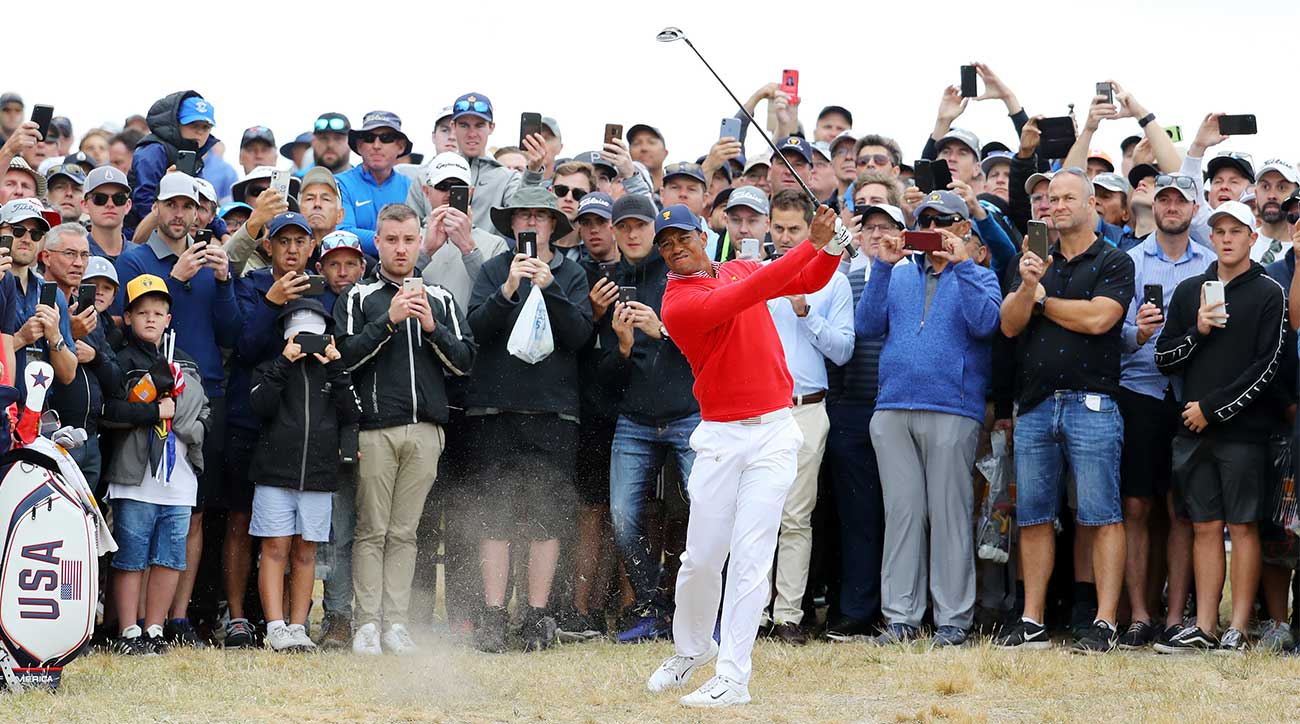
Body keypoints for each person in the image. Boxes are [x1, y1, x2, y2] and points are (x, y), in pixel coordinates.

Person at [645, 202, 848, 707]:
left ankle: (734, 677)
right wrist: (813, 242)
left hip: (775, 431)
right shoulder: (678, 302)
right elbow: (749, 293)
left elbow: (807, 278)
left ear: (703, 235)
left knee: (752, 559)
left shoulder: (738, 266)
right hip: (720, 436)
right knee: (702, 558)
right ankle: (693, 648)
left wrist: (832, 248)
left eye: (682, 238)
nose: (675, 249)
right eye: (666, 245)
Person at [995, 168, 1135, 654]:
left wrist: (1042, 299)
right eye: (1050, 199)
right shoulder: (1030, 260)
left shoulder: (1115, 260)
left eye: (1066, 197)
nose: (1055, 206)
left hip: (1092, 403)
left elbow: (1099, 319)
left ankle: (1104, 622)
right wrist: (1024, 288)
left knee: (1101, 515)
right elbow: (1009, 327)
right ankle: (1032, 619)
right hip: (1034, 404)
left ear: (1092, 203)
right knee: (1033, 516)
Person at [857, 191, 1001, 647]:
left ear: (964, 227)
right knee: (902, 514)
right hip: (894, 407)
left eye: (947, 219)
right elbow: (867, 326)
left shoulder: (981, 275)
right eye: (927, 219)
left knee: (949, 514)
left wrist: (964, 266)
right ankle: (901, 617)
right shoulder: (898, 274)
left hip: (953, 408)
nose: (936, 226)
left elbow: (985, 325)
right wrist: (881, 265)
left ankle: (953, 620)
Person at [334, 203, 476, 655]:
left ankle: (395, 623)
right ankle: (366, 624)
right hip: (375, 430)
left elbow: (464, 363)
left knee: (406, 532)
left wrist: (431, 326)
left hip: (427, 431)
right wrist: (390, 320)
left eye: (409, 240)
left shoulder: (443, 299)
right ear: (378, 242)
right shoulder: (357, 297)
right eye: (391, 240)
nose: (400, 248)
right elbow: (346, 359)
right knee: (371, 530)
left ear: (421, 242)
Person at [113, 172, 241, 647]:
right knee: (139, 511)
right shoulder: (136, 258)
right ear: (158, 208)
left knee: (192, 513)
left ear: (200, 213)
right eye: (171, 205)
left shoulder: (213, 261)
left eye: (189, 206)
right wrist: (175, 279)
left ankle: (175, 618)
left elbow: (232, 335)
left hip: (201, 398)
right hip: (148, 395)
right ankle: (131, 621)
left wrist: (224, 281)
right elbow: (128, 324)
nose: (179, 214)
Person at [1153, 201, 1286, 654]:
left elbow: (1267, 367)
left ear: (1253, 238)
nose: (1227, 237)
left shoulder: (1270, 293)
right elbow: (1163, 357)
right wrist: (1197, 331)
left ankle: (1239, 627)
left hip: (1242, 432)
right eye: (1219, 230)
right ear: (1210, 238)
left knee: (1243, 526)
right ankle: (1206, 627)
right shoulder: (1191, 291)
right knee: (1205, 526)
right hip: (1193, 432)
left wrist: (1211, 408)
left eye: (1236, 230)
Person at [465, 187, 592, 653]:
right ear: (511, 224)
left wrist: (550, 289)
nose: (532, 223)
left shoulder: (572, 274)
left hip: (553, 413)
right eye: (524, 216)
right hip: (495, 411)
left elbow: (580, 336)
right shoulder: (493, 271)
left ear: (554, 226)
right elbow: (475, 330)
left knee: (547, 517)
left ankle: (538, 616)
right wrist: (509, 290)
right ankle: (493, 616)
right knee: (494, 519)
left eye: (541, 216)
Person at [1114, 174, 1211, 650]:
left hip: (1192, 395)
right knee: (1135, 505)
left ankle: (1175, 617)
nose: (1172, 207)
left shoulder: (1214, 263)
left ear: (1195, 209)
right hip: (1142, 389)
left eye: (1181, 201)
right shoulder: (1128, 262)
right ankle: (1137, 615)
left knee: (1182, 511)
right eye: (1164, 200)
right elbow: (1108, 332)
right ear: (1153, 207)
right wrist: (1139, 333)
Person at [598, 193, 700, 643]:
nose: (633, 233)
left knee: (707, 514)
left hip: (689, 414)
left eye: (642, 226)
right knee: (622, 516)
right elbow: (599, 377)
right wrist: (621, 344)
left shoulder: (684, 276)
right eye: (625, 227)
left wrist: (663, 330)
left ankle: (701, 614)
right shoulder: (607, 282)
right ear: (615, 233)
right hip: (634, 419)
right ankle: (650, 609)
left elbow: (710, 347)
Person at [222, 211, 321, 648]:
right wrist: (272, 303)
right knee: (243, 521)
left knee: (299, 533)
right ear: (268, 247)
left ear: (312, 247)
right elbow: (243, 348)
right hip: (251, 417)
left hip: (305, 427)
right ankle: (239, 617)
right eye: (284, 241)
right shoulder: (252, 286)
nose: (293, 249)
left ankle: (286, 622)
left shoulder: (324, 291)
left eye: (301, 240)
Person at [763, 191, 854, 646]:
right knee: (757, 516)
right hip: (760, 411)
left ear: (811, 230)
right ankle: (754, 612)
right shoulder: (757, 275)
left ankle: (788, 616)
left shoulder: (834, 280)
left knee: (796, 517)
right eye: (777, 228)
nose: (784, 238)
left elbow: (843, 350)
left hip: (808, 408)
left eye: (794, 229)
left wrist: (805, 310)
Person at [102, 274, 210, 655]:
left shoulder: (185, 362)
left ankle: (155, 628)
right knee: (132, 553)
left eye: (158, 312)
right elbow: (108, 411)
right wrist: (151, 411)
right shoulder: (120, 360)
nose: (151, 319)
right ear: (128, 316)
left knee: (169, 556)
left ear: (168, 319)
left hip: (179, 477)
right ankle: (129, 629)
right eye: (142, 312)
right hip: (135, 477)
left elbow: (204, 411)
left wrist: (187, 423)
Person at [248, 299, 361, 653]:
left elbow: (353, 412)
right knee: (274, 547)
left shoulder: (332, 374)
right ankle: (276, 626)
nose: (307, 344)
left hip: (318, 476)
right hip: (274, 474)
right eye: (301, 336)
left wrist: (337, 367)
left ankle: (299, 626)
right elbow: (260, 405)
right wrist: (285, 362)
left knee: (307, 551)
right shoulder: (271, 367)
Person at [822, 202, 903, 641]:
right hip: (851, 407)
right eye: (868, 227)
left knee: (904, 512)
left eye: (885, 227)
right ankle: (856, 609)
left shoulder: (912, 279)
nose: (875, 234)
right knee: (857, 515)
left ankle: (906, 610)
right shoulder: (845, 281)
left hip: (899, 407)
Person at [43, 223, 121, 488]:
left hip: (90, 437)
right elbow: (35, 368)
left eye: (84, 255)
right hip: (52, 433)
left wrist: (96, 356)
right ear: (46, 256)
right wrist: (69, 333)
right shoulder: (36, 298)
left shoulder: (90, 315)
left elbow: (116, 380)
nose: (78, 263)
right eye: (69, 254)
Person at [407, 93, 544, 233]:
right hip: (435, 253)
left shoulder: (507, 179)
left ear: (491, 127)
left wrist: (533, 171)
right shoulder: (426, 176)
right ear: (453, 126)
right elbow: (410, 229)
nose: (472, 133)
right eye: (464, 125)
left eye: (479, 125)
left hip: (489, 254)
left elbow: (524, 212)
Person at [125, 91, 218, 240]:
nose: (199, 131)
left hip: (176, 230)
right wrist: (166, 186)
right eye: (193, 124)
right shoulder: (153, 150)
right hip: (136, 232)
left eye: (206, 127)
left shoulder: (194, 156)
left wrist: (222, 232)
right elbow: (144, 200)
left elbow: (204, 200)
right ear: (176, 122)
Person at [417, 152, 507, 305]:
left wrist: (468, 247)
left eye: (457, 187)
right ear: (426, 191)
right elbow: (390, 285)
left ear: (470, 192)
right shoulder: (409, 238)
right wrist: (426, 252)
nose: (449, 194)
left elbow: (500, 295)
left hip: (472, 328)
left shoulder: (495, 244)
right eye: (442, 186)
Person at [4, 198, 76, 386]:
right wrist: (20, 338)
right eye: (17, 230)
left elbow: (68, 375)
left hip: (38, 410)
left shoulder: (51, 293)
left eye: (36, 234)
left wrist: (54, 337)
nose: (27, 239)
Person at [336, 111, 414, 255]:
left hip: (402, 272)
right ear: (359, 145)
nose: (376, 145)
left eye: (386, 138)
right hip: (353, 272)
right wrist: (394, 241)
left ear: (401, 146)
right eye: (369, 138)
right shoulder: (340, 183)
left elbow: (419, 236)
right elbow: (343, 234)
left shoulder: (410, 187)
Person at [83, 166, 133, 261]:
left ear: (128, 205)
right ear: (84, 205)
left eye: (119, 198)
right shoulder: (76, 255)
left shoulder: (142, 257)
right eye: (99, 198)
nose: (110, 204)